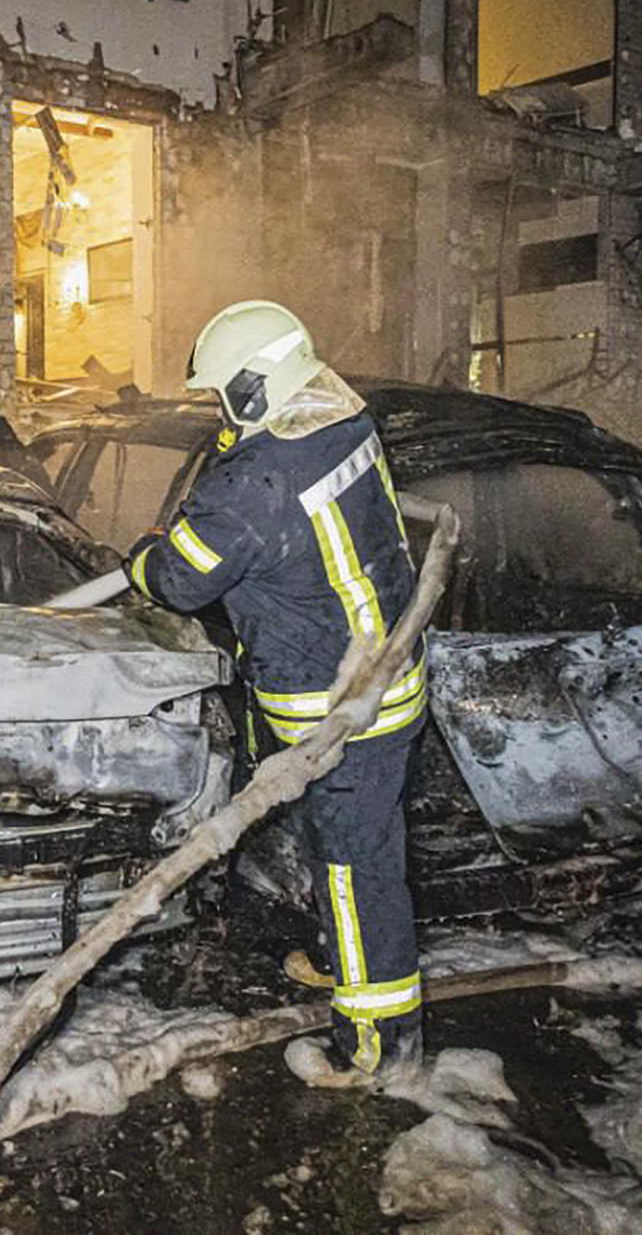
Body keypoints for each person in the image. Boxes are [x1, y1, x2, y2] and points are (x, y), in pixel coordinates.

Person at [126, 300, 427, 1082]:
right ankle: (343, 954)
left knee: (359, 869)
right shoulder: (341, 420)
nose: (216, 409)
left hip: (340, 710)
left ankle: (376, 1045)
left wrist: (139, 561)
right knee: (353, 853)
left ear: (254, 389)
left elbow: (180, 579)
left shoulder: (252, 484)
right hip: (385, 674)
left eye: (221, 394)